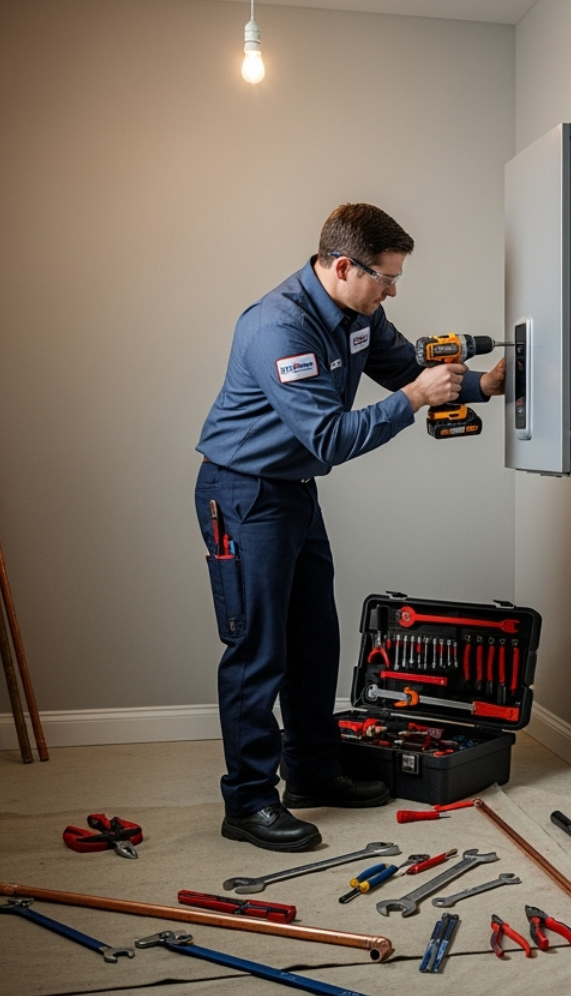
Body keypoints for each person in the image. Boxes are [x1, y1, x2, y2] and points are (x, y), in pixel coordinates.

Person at [194, 203, 504, 851]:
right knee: (258, 651)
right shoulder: (278, 328)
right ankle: (248, 804)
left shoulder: (359, 315)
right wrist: (416, 400)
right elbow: (331, 437)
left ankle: (310, 771)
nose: (393, 290)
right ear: (342, 266)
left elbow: (401, 368)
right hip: (243, 493)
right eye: (386, 278)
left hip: (292, 490)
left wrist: (486, 383)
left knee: (315, 640)